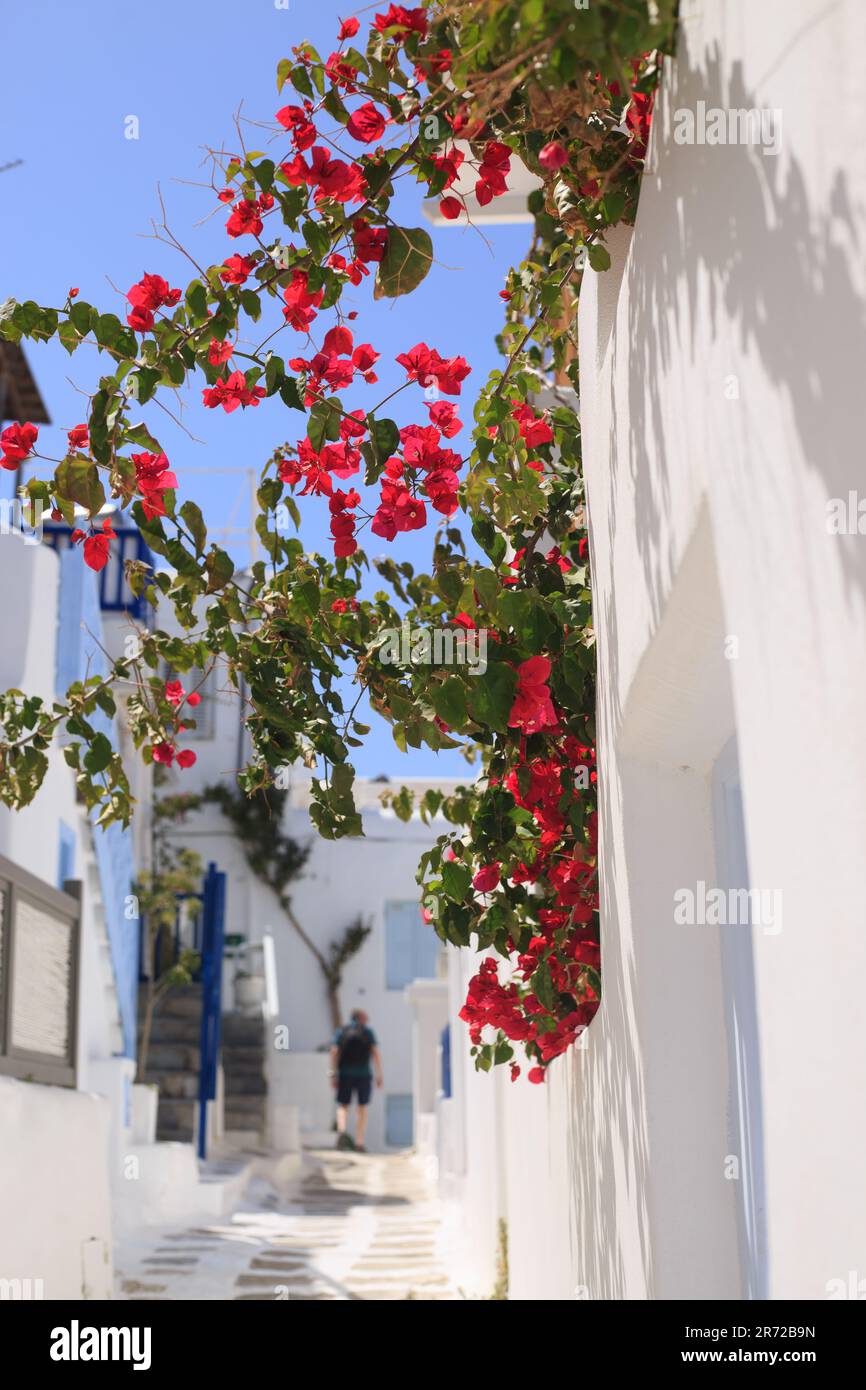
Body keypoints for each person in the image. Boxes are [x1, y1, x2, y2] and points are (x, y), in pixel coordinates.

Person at [330, 1008, 382, 1152]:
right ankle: (359, 1142)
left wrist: (333, 1074)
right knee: (362, 1108)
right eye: (366, 1018)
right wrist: (379, 1075)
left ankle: (341, 1132)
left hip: (345, 1074)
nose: (367, 1020)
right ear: (360, 1018)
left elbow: (334, 1052)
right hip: (363, 1074)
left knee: (343, 1105)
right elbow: (375, 1053)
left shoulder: (342, 1031)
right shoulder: (367, 1032)